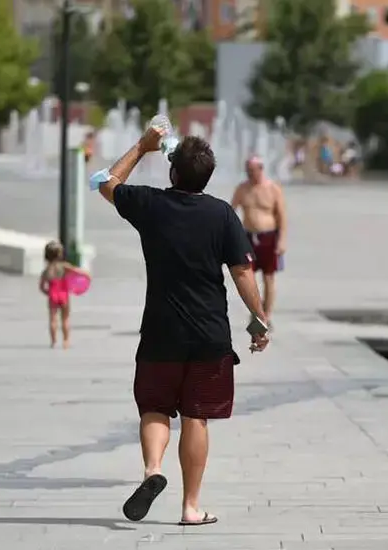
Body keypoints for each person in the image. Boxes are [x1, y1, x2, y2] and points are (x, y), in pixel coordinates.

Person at [90, 127, 270, 527]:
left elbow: (105, 182)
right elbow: (242, 271)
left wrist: (142, 145)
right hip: (209, 336)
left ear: (173, 173)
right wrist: (259, 321)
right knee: (196, 416)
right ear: (206, 177)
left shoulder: (150, 204)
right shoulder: (222, 213)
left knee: (154, 407)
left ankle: (153, 471)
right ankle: (191, 507)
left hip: (159, 332)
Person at [230, 156, 287, 327]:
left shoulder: (273, 189)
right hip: (248, 237)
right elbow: (231, 212)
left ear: (261, 169)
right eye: (248, 171)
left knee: (268, 277)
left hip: (268, 237)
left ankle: (267, 315)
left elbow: (282, 217)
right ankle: (256, 312)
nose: (250, 174)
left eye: (253, 171)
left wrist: (282, 240)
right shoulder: (242, 189)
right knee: (248, 277)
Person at [39, 241, 90, 349]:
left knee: (53, 319)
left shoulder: (46, 271)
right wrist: (87, 276)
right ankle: (66, 341)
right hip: (64, 295)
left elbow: (42, 287)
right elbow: (77, 271)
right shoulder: (64, 266)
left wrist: (48, 293)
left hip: (53, 296)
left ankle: (53, 341)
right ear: (60, 254)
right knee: (65, 319)